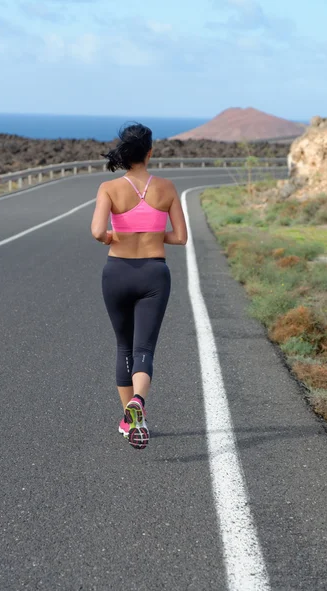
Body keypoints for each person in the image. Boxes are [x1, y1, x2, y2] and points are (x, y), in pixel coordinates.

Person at [91, 123, 188, 450]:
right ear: (150, 152)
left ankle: (129, 417)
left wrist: (111, 236)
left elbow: (96, 231)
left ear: (124, 152)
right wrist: (152, 232)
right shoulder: (167, 187)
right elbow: (181, 237)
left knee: (124, 347)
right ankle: (138, 405)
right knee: (144, 348)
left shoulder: (109, 188)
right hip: (153, 273)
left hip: (116, 272)